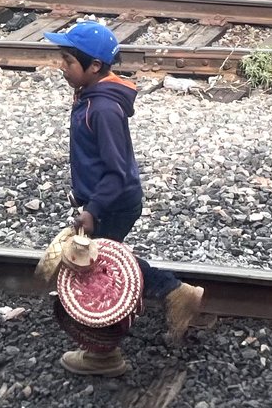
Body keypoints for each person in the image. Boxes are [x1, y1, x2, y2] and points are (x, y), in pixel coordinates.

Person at [43, 21, 207, 376]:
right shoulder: (92, 97)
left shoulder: (101, 109)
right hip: (108, 198)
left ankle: (106, 354)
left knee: (96, 275)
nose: (62, 67)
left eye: (68, 61)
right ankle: (174, 292)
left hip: (112, 200)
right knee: (106, 262)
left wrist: (93, 210)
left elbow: (116, 170)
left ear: (95, 67)